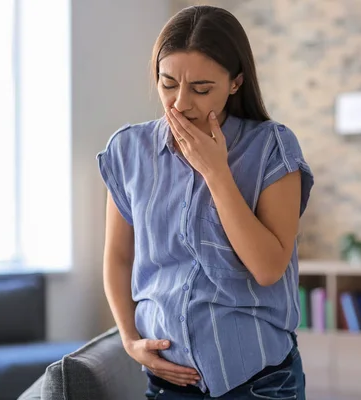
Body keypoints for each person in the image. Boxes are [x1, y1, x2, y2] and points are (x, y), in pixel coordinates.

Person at [97, 5, 314, 399]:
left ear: (235, 83)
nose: (181, 104)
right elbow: (118, 258)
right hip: (168, 384)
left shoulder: (272, 147)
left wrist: (216, 171)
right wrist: (129, 340)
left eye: (201, 89)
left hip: (260, 383)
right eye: (167, 84)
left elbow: (267, 268)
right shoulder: (128, 150)